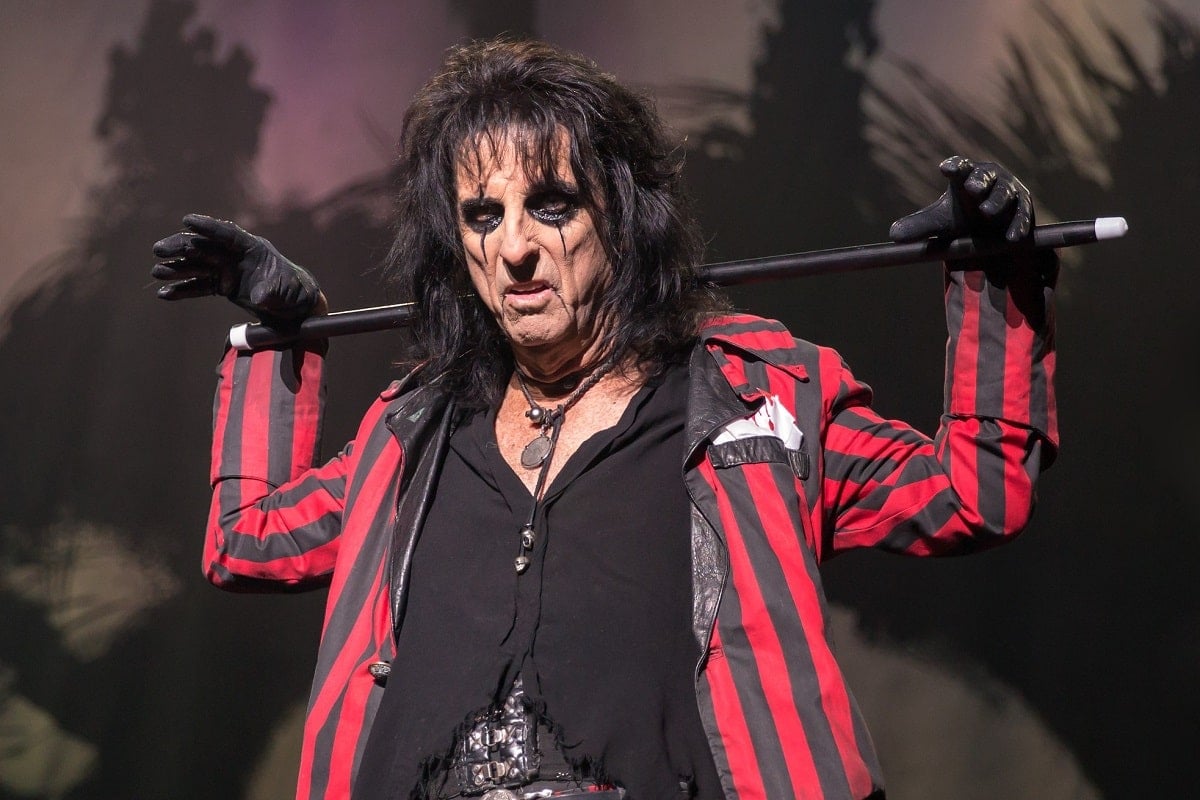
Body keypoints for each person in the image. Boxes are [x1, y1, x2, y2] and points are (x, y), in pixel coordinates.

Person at [151, 38, 1057, 800]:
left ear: (621, 216)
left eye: (551, 205)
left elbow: (973, 493)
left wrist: (992, 279)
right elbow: (247, 541)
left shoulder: (756, 396)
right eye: (482, 216)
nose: (515, 247)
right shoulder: (411, 431)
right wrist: (281, 337)